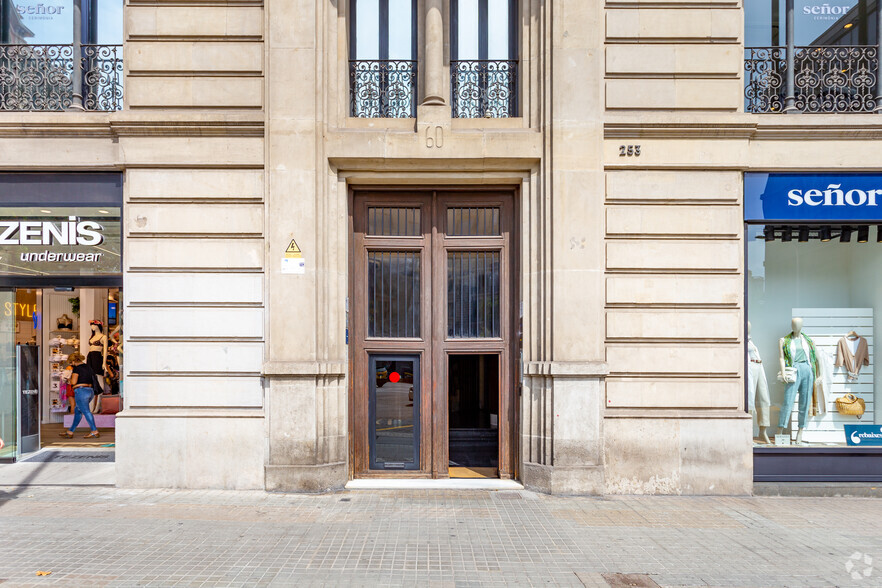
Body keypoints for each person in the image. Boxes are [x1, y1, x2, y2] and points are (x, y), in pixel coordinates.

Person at [58, 352, 100, 439]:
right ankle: (70, 431)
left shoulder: (76, 369)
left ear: (74, 361)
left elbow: (73, 382)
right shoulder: (88, 367)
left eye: (71, 362)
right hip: (90, 391)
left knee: (86, 411)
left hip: (81, 391)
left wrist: (68, 379)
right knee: (78, 411)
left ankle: (94, 431)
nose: (71, 364)